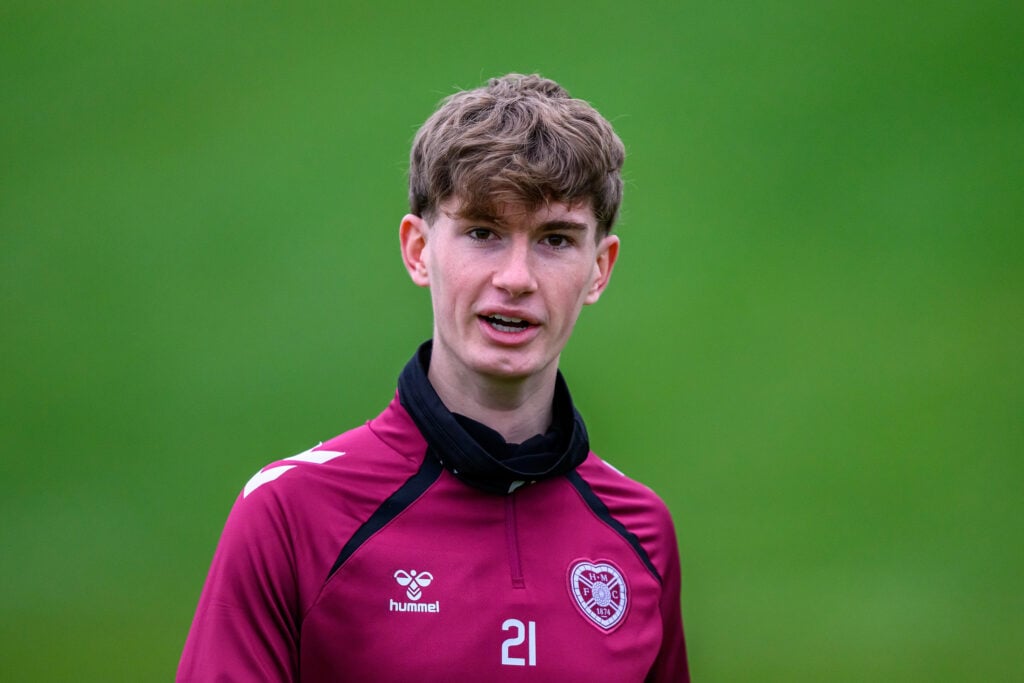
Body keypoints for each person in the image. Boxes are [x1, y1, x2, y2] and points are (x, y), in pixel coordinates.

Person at [178, 73, 689, 682]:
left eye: (555, 239)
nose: (516, 278)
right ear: (418, 250)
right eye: (483, 233)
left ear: (599, 269)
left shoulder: (640, 532)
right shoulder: (292, 513)